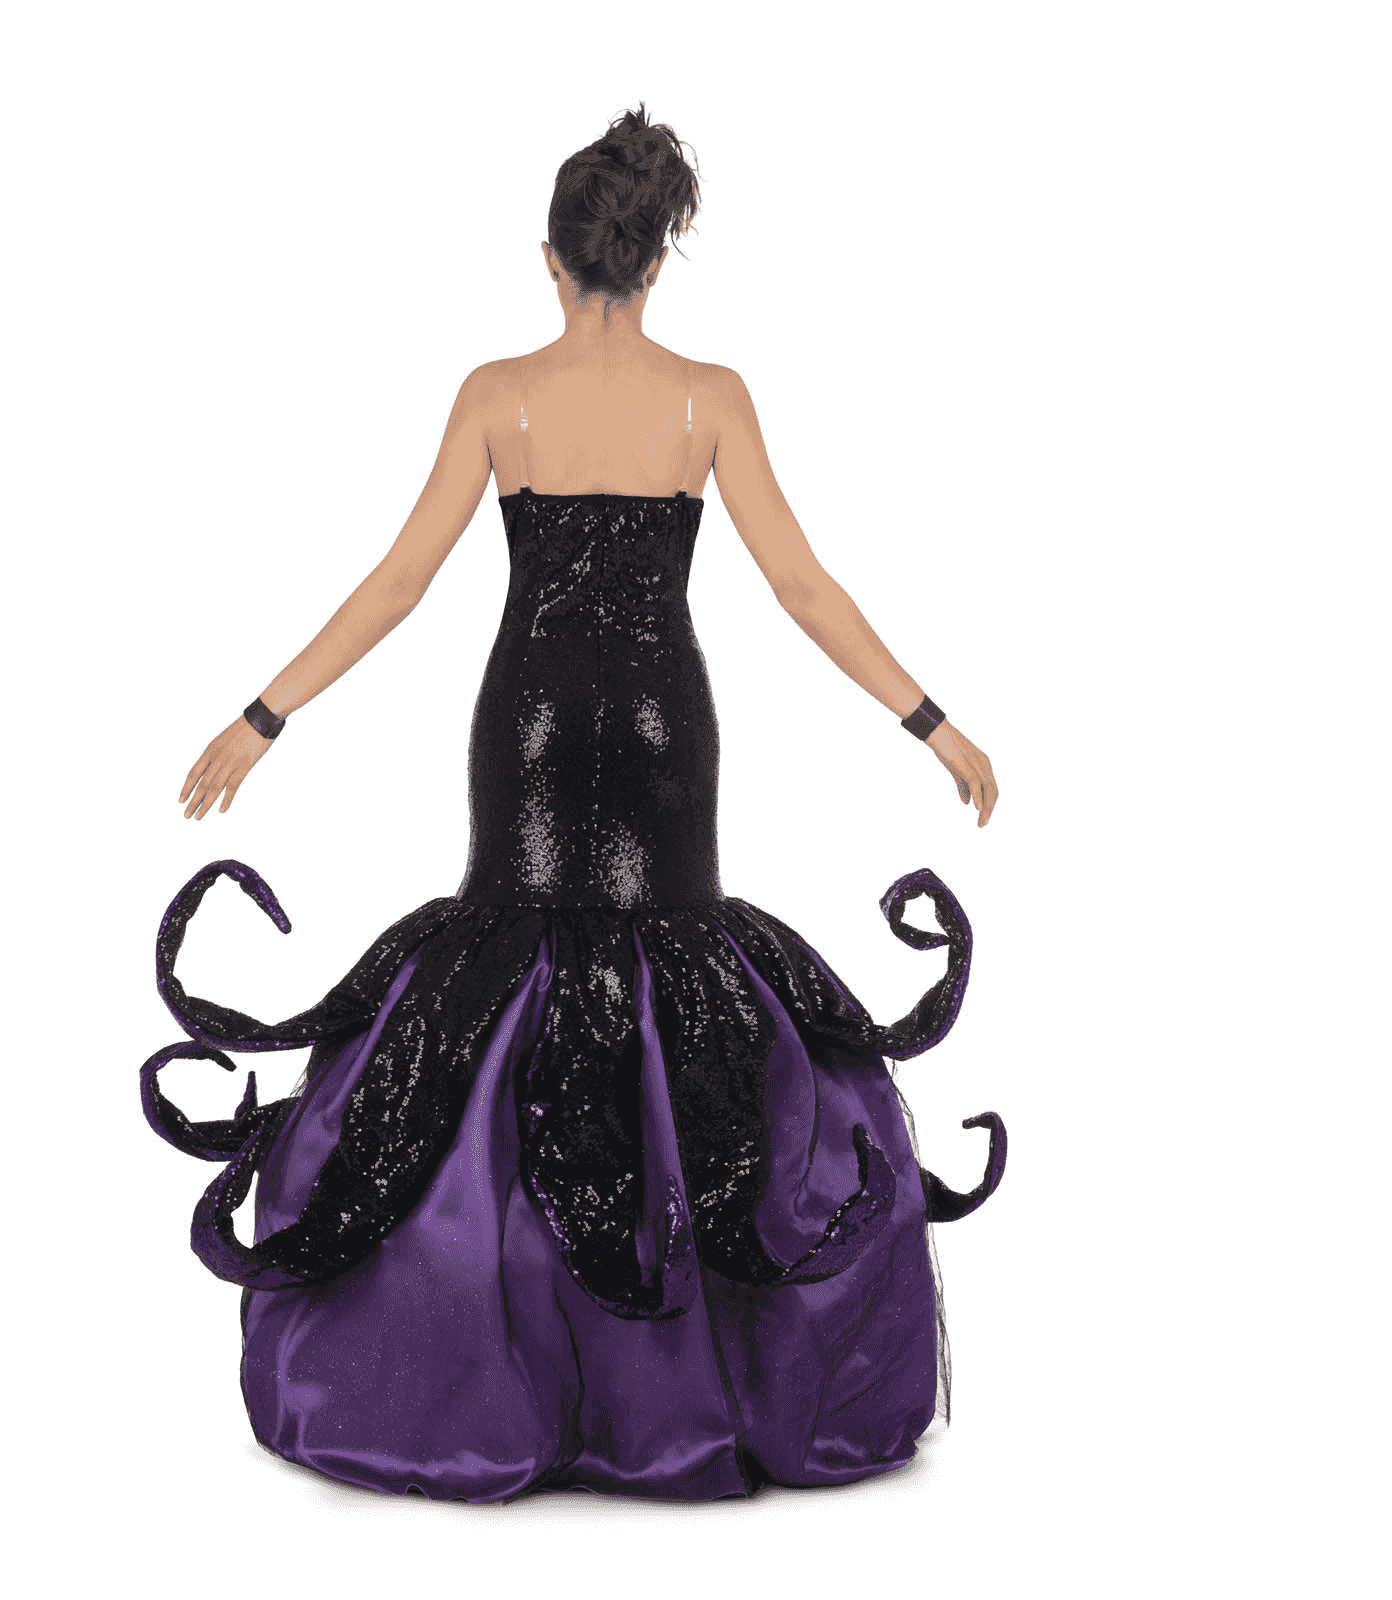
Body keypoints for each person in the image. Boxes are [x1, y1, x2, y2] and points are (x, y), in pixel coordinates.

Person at [142, 104, 1007, 1503]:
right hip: (665, 722)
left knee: (512, 960)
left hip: (532, 720)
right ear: (658, 262)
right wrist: (931, 721)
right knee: (670, 959)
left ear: (550, 258)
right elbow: (801, 586)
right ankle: (676, 1367)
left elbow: (401, 580)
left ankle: (495, 1361)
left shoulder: (501, 394)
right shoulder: (710, 397)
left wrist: (264, 715)